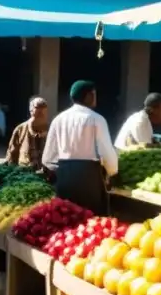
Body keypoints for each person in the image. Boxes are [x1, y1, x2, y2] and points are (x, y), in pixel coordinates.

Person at [42, 80, 118, 215]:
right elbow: (106, 151)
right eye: (94, 94)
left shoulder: (58, 119)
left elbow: (48, 158)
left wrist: (61, 173)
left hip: (64, 176)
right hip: (88, 178)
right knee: (90, 221)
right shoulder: (96, 119)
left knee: (66, 219)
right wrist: (112, 172)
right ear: (89, 96)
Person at [5, 96, 49, 170]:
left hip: (46, 171)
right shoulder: (20, 129)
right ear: (31, 110)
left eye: (43, 108)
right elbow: (12, 152)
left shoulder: (52, 129)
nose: (41, 111)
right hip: (25, 170)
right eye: (38, 108)